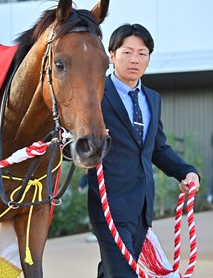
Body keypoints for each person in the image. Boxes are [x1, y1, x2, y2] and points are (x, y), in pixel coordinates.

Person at [86, 23, 201, 277]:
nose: (134, 60)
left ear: (149, 58)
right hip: (109, 208)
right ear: (112, 56)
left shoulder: (152, 98)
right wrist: (90, 141)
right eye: (127, 52)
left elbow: (157, 148)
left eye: (142, 53)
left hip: (141, 208)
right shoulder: (94, 94)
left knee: (113, 271)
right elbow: (73, 143)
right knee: (124, 273)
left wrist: (187, 172)